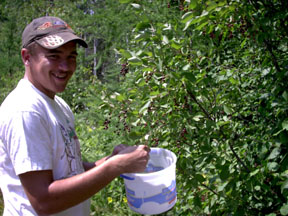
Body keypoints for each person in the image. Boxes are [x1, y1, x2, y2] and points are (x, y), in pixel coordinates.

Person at [0, 16, 150, 216]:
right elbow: (43, 202)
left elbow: (70, 170)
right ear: (27, 57)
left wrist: (110, 160)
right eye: (54, 56)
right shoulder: (25, 110)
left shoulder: (57, 105)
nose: (65, 67)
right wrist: (114, 167)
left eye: (72, 56)